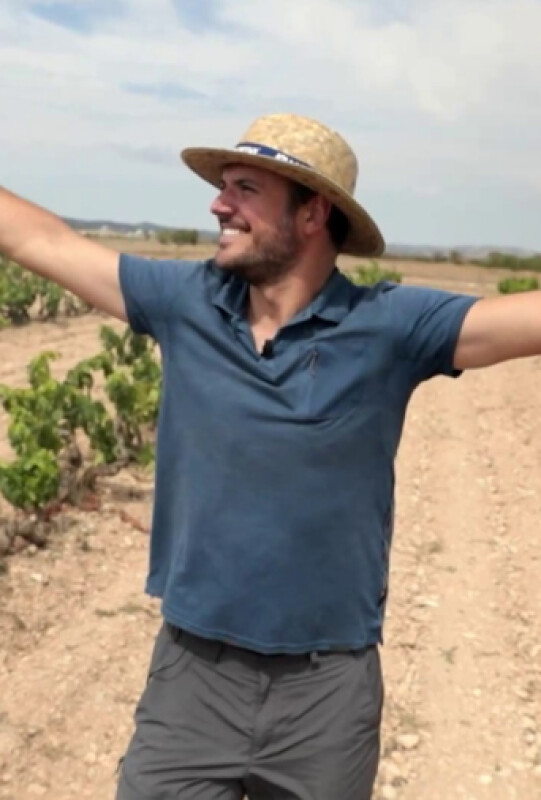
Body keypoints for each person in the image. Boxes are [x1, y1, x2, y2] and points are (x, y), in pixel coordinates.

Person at [1, 112, 539, 800]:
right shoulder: (185, 302)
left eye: (245, 189)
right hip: (192, 679)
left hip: (326, 696)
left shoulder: (388, 326)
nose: (218, 204)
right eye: (223, 185)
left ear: (312, 213)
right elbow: (39, 239)